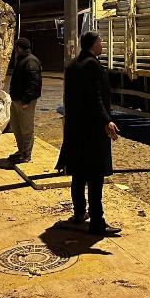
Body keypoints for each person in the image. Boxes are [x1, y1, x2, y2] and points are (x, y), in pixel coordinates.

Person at [56, 31, 121, 236]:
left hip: (76, 130)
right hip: (92, 131)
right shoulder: (92, 65)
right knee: (95, 178)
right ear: (93, 44)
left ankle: (78, 214)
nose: (102, 45)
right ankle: (97, 223)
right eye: (100, 42)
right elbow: (96, 97)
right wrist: (106, 121)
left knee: (78, 175)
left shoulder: (72, 65)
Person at [8, 37, 42, 164]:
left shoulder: (31, 61)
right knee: (17, 127)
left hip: (25, 102)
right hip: (17, 100)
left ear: (19, 48)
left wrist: (26, 100)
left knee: (26, 129)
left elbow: (34, 83)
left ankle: (27, 154)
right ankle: (21, 150)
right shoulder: (22, 60)